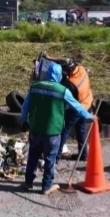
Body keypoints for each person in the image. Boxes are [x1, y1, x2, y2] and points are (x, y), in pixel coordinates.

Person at [20, 63, 93, 195]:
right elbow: (77, 106)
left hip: (35, 129)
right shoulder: (62, 90)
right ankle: (46, 186)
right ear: (59, 75)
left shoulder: (35, 86)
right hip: (52, 131)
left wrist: (24, 120)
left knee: (33, 156)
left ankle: (28, 182)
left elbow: (25, 106)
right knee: (50, 159)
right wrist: (89, 116)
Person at [44, 54, 94, 162]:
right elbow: (63, 60)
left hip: (78, 107)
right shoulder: (80, 68)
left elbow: (62, 95)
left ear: (68, 71)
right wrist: (49, 57)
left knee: (64, 130)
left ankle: (56, 156)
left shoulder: (71, 84)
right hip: (88, 101)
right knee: (80, 130)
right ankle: (83, 154)